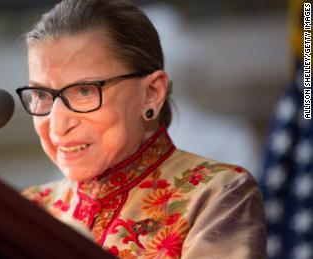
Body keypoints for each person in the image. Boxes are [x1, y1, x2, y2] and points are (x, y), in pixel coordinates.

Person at [17, 0, 266, 258]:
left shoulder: (216, 195)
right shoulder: (28, 209)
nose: (57, 125)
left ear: (151, 93)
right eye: (41, 94)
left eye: (84, 91)